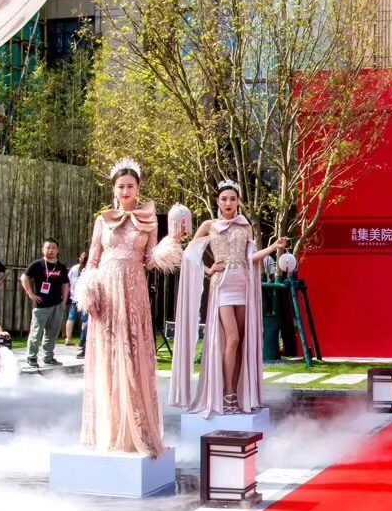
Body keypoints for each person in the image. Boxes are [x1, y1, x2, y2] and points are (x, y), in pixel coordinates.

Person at [74, 160, 186, 455]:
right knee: (108, 356)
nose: (126, 191)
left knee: (132, 357)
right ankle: (109, 430)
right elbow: (93, 260)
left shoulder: (149, 221)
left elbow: (150, 260)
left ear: (138, 188)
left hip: (134, 290)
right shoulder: (102, 221)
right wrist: (89, 290)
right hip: (106, 291)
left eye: (131, 186)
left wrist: (172, 243)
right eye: (121, 186)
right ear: (114, 189)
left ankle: (135, 431)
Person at [172, 180, 287, 416]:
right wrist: (208, 270)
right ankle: (227, 395)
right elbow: (188, 255)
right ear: (218, 201)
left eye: (232, 199)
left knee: (241, 341)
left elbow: (250, 258)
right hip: (222, 286)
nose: (228, 203)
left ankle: (236, 395)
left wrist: (274, 247)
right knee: (232, 338)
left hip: (242, 285)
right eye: (224, 199)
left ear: (238, 202)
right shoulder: (209, 225)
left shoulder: (245, 226)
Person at [22, 238, 70, 368]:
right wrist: (31, 294)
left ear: (58, 250)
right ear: (43, 250)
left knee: (52, 333)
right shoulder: (37, 264)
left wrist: (64, 301)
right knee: (36, 333)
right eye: (48, 247)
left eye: (53, 248)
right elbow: (24, 277)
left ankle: (48, 357)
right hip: (41, 304)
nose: (51, 250)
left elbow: (65, 284)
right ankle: (32, 358)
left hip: (57, 304)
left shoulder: (61, 267)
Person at [65, 248, 89, 350]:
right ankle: (83, 340)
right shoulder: (89, 269)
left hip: (74, 296)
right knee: (85, 319)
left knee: (71, 318)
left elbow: (68, 281)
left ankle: (68, 338)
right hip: (84, 297)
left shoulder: (74, 268)